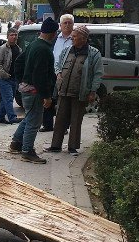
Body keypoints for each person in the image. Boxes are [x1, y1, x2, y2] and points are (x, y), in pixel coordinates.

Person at [45, 25, 103, 154]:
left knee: (76, 120)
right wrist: (58, 73)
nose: (72, 38)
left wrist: (93, 91)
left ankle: (72, 147)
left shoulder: (93, 53)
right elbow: (58, 63)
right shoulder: (67, 50)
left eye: (75, 36)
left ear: (83, 39)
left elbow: (98, 74)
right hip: (64, 90)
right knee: (60, 118)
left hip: (80, 92)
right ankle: (55, 145)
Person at [9, 17, 58, 164]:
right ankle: (27, 150)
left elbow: (19, 62)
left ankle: (16, 143)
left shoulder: (33, 44)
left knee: (29, 117)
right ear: (52, 33)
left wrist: (21, 80)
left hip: (27, 88)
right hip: (35, 91)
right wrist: (47, 96)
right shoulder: (44, 49)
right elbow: (40, 76)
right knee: (34, 121)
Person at [41, 13, 73, 132]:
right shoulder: (54, 39)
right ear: (60, 25)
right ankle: (47, 124)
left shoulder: (75, 39)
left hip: (67, 75)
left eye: (70, 23)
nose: (67, 25)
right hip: (52, 73)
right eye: (65, 23)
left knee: (64, 102)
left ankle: (63, 126)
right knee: (49, 98)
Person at [0, 28, 22, 124]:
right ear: (8, 36)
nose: (14, 37)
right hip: (5, 79)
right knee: (9, 98)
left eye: (15, 35)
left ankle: (0, 117)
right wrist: (4, 75)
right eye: (12, 35)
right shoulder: (3, 49)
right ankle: (12, 117)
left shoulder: (18, 49)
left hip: (14, 79)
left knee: (6, 99)